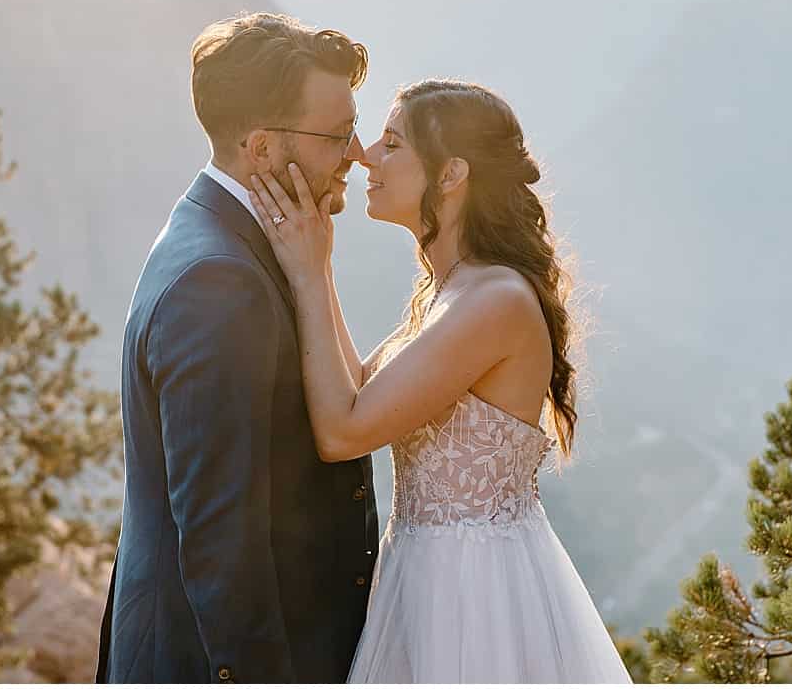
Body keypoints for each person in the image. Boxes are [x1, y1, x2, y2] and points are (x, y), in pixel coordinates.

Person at [248, 78, 631, 683]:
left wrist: (308, 272)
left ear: (452, 174)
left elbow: (343, 432)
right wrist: (317, 265)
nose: (364, 154)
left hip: (475, 596)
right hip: (426, 576)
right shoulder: (450, 291)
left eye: (392, 143)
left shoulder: (493, 300)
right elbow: (359, 388)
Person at [96, 12, 379, 684]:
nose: (359, 152)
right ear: (260, 150)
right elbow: (224, 544)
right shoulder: (218, 285)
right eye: (338, 135)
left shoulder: (227, 237)